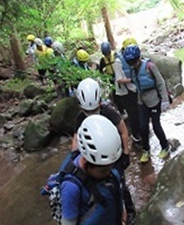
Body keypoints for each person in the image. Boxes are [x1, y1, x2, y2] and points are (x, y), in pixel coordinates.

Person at [71, 77, 136, 224]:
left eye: (94, 110)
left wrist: (126, 152)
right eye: (88, 111)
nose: (91, 113)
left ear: (100, 102)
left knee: (120, 184)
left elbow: (123, 131)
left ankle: (130, 210)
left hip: (114, 154)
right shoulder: (81, 118)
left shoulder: (109, 112)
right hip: (95, 158)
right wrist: (74, 155)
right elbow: (75, 139)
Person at [60, 114, 124, 225]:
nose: (109, 173)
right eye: (103, 171)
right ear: (85, 162)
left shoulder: (101, 163)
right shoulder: (71, 188)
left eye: (111, 167)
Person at [123, 44, 171, 163]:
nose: (132, 64)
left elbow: (160, 82)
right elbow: (134, 83)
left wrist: (164, 101)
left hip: (154, 101)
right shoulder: (132, 70)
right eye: (130, 62)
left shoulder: (150, 66)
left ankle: (165, 146)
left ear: (138, 58)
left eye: (133, 61)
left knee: (156, 126)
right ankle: (146, 150)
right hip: (142, 101)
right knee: (143, 127)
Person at [112, 38, 142, 144]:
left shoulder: (136, 57)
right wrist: (132, 80)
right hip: (124, 91)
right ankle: (135, 134)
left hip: (133, 89)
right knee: (132, 113)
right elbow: (119, 79)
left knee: (138, 110)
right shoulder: (118, 61)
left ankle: (141, 130)